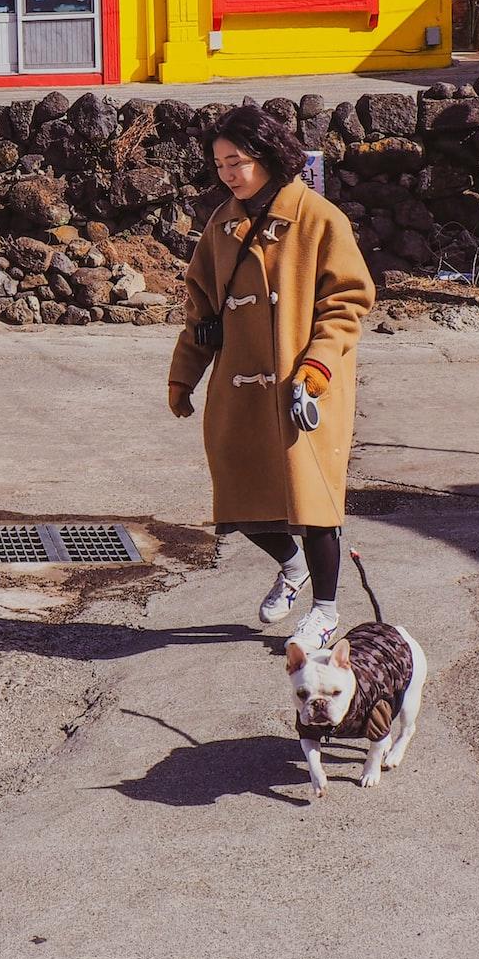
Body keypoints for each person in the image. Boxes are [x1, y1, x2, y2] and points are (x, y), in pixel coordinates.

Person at [167, 104, 375, 651]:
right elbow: (201, 307)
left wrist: (318, 365)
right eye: (219, 164)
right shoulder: (222, 222)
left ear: (268, 157)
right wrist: (183, 376)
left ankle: (326, 611)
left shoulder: (320, 218)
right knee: (235, 491)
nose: (229, 173)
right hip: (238, 380)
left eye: (238, 161)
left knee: (313, 502)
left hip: (304, 384)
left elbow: (347, 301)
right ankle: (290, 565)